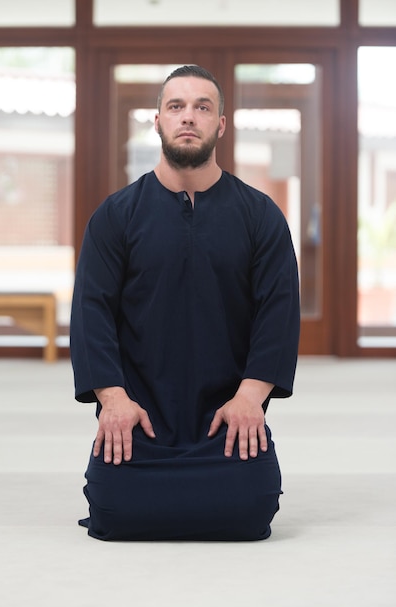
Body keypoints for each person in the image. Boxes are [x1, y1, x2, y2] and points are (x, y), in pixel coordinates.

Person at [70, 65, 300, 541]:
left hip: (227, 419)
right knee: (114, 511)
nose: (188, 117)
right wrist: (113, 402)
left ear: (220, 123)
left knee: (250, 511)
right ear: (157, 120)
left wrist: (249, 399)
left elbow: (278, 314)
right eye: (176, 106)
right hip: (141, 419)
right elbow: (91, 314)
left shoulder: (260, 216)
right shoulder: (115, 217)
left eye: (202, 107)